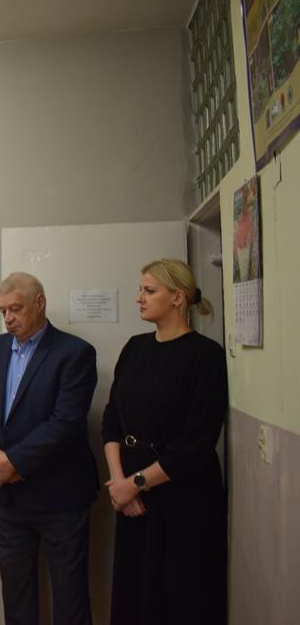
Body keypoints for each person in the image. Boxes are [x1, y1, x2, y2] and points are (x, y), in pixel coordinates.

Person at [0, 272, 98, 625]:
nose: (8, 318)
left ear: (40, 303)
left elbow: (65, 422)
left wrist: (14, 461)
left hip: (60, 498)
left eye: (16, 309)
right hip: (7, 499)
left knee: (70, 599)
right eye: (2, 311)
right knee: (17, 598)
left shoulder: (75, 353)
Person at [101, 259, 227, 625]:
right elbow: (112, 421)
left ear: (177, 297)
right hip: (130, 496)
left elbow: (196, 444)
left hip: (183, 496)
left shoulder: (205, 355)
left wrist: (135, 483)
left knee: (179, 596)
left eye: (149, 291)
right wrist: (119, 484)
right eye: (140, 289)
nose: (139, 298)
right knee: (134, 593)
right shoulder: (134, 348)